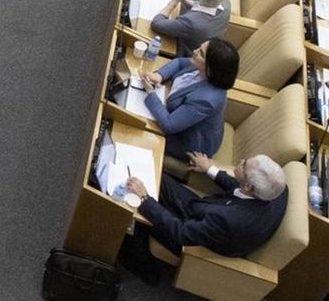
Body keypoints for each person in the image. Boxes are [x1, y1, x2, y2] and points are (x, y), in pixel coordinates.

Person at [122, 155, 289, 263]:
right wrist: (210, 169)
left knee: (136, 208)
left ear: (248, 185)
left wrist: (145, 199)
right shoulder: (278, 188)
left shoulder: (229, 220)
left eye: (244, 165)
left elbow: (180, 234)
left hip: (192, 239)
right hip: (206, 211)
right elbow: (238, 188)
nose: (241, 161)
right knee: (160, 178)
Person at [141, 38, 239, 164]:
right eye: (199, 48)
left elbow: (169, 125)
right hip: (172, 110)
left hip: (187, 140)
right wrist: (160, 75)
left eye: (201, 53)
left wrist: (150, 93)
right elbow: (179, 63)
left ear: (211, 67)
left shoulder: (206, 99)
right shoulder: (202, 68)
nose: (194, 51)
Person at [150, 0, 232, 54]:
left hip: (187, 54)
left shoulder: (191, 23)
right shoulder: (226, 4)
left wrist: (174, 1)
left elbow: (156, 23)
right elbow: (207, 6)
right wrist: (184, 0)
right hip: (209, 51)